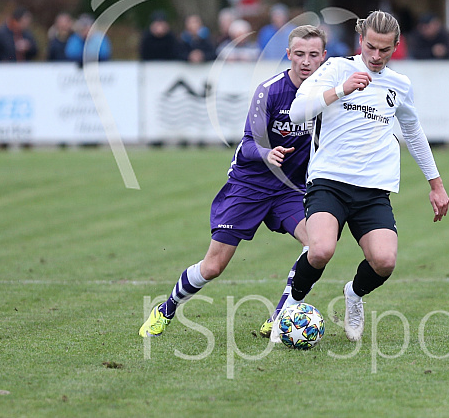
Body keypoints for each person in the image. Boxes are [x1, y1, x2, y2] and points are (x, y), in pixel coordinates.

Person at [271, 11, 449, 343]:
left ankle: (353, 295)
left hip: (373, 189)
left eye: (385, 49)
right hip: (329, 181)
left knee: (384, 261)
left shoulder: (400, 85)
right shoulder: (337, 68)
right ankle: (289, 310)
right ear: (360, 40)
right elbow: (297, 112)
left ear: (396, 46)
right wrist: (341, 90)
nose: (376, 56)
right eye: (370, 47)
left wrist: (435, 184)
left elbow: (413, 132)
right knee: (321, 249)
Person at [139, 25, 328, 338]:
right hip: (249, 185)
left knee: (317, 245)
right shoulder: (270, 91)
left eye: (312, 55)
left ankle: (280, 314)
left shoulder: (326, 95)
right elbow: (247, 143)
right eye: (299, 54)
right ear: (288, 54)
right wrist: (267, 153)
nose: (305, 61)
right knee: (213, 266)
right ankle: (165, 309)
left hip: (289, 190)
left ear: (324, 57)